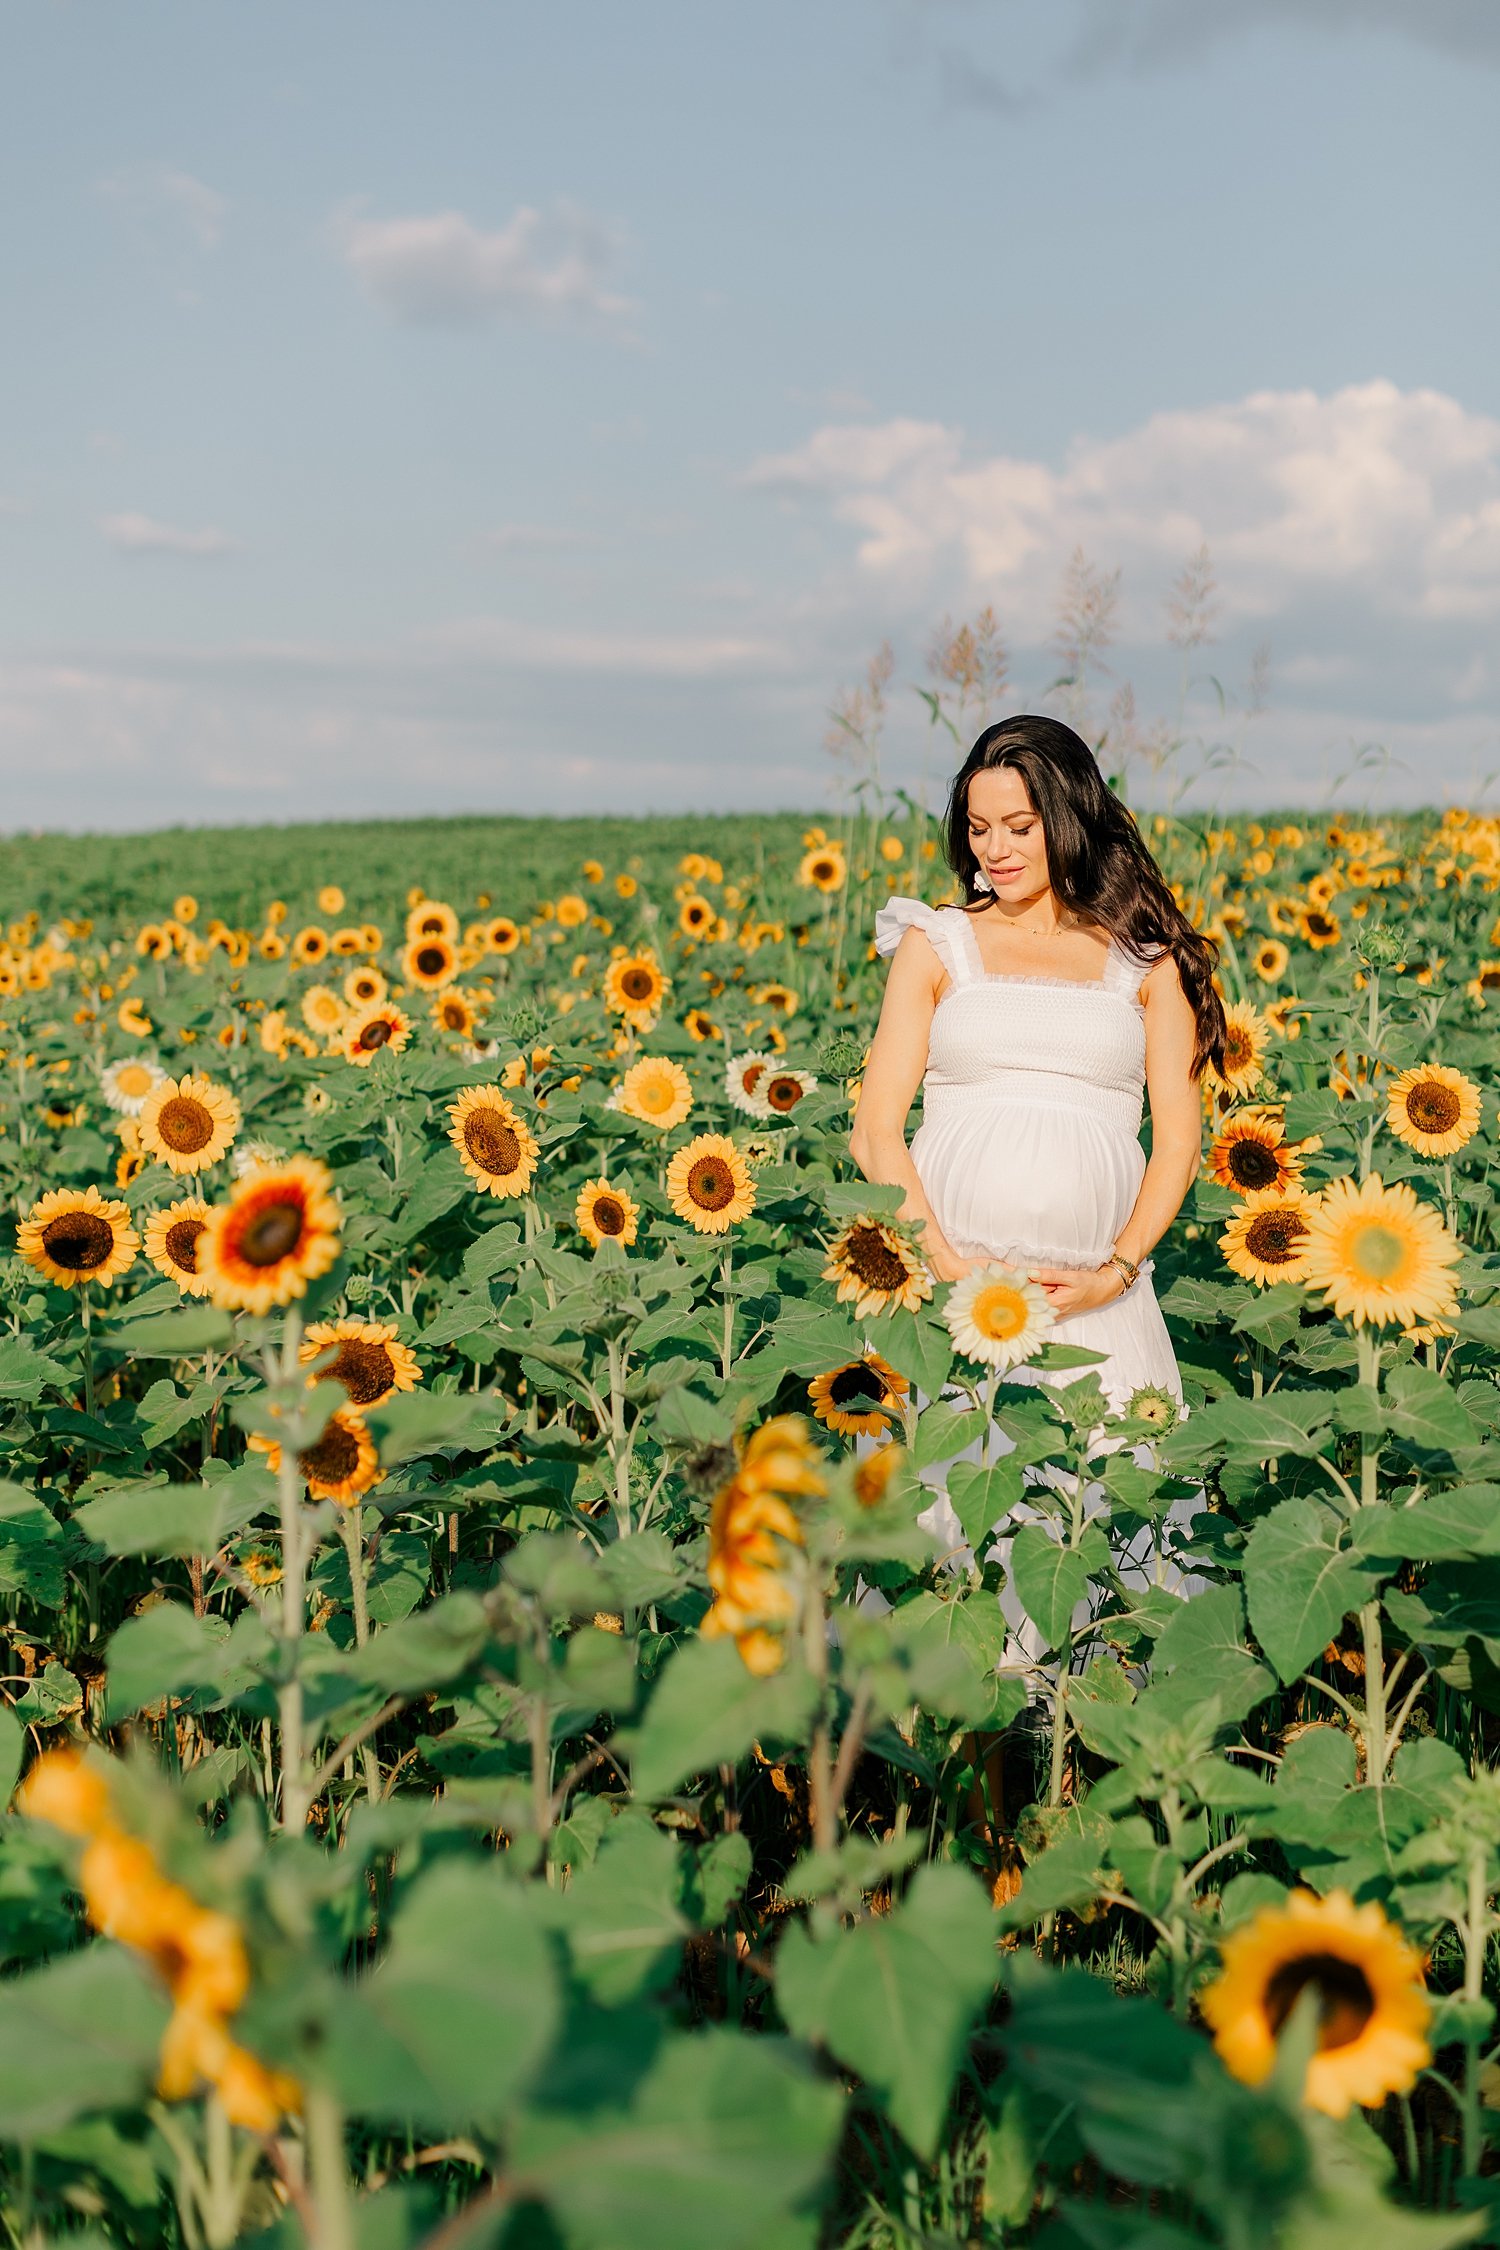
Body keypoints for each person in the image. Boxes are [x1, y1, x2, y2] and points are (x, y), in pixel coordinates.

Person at [851, 713, 1224, 1417]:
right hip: (946, 1300)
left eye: (1019, 827)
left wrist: (1114, 1275)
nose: (995, 849)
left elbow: (1178, 1143)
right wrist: (945, 1265)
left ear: (1068, 818)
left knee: (1102, 1506)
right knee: (943, 1506)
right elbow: (874, 1133)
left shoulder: (1145, 961)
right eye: (977, 827)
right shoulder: (936, 943)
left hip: (1095, 1312)